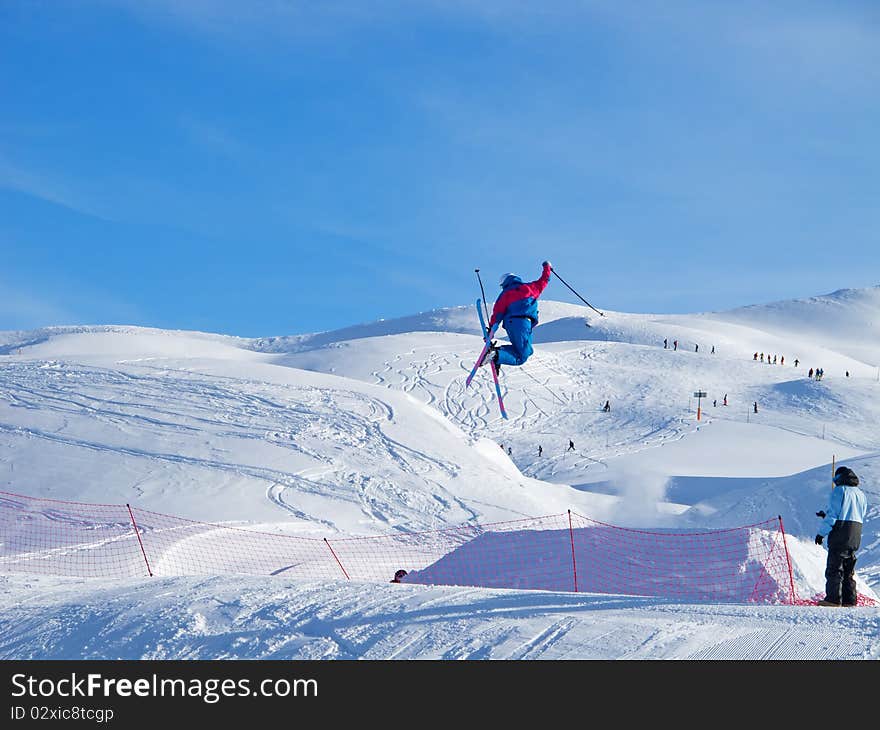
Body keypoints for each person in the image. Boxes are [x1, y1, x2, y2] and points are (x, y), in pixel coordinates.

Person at [478, 262, 552, 371]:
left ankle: (498, 354)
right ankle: (496, 355)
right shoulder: (531, 288)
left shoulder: (505, 294)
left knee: (528, 351)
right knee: (521, 357)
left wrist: (491, 332)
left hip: (513, 324)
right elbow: (545, 279)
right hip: (523, 323)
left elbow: (497, 314)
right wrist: (547, 267)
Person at [815, 466, 868, 606]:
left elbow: (834, 515)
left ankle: (833, 599)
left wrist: (821, 533)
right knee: (848, 569)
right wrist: (825, 515)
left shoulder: (839, 491)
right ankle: (849, 600)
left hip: (840, 533)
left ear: (839, 478)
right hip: (855, 534)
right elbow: (856, 513)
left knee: (834, 568)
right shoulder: (861, 494)